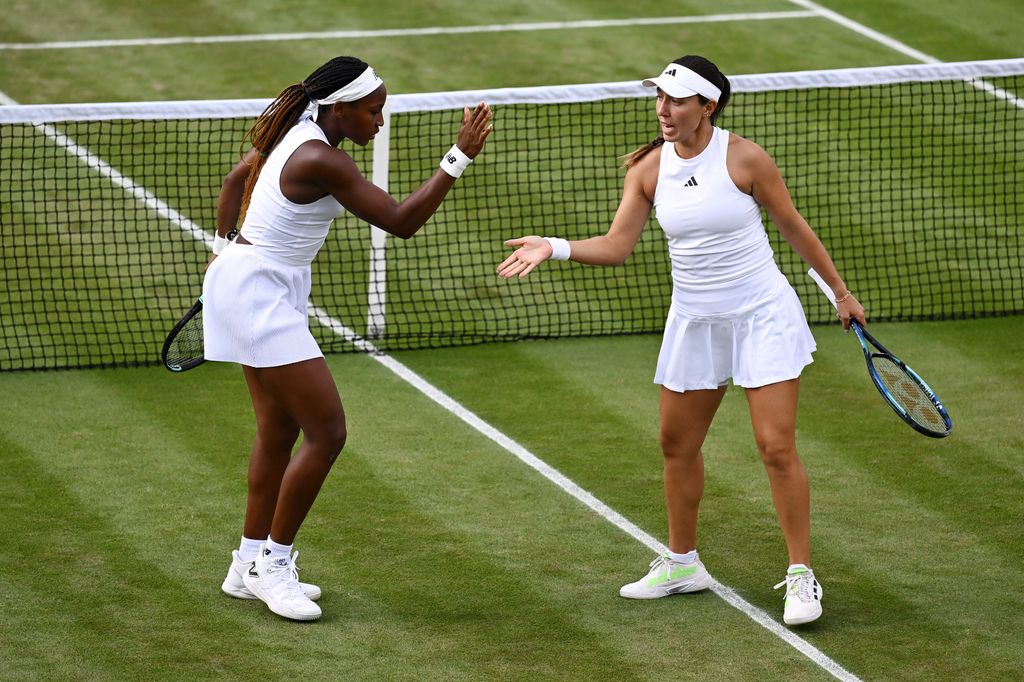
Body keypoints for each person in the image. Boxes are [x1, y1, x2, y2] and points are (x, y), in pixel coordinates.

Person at [496, 55, 864, 626]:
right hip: (695, 319)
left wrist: (839, 293)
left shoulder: (745, 159)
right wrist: (554, 245)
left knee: (775, 446)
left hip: (760, 314)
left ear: (707, 106)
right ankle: (682, 562)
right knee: (676, 444)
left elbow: (792, 226)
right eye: (660, 99)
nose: (664, 111)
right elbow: (618, 246)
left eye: (677, 101)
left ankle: (800, 575)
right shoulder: (647, 168)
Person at [204, 56, 493, 621]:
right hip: (259, 292)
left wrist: (224, 254)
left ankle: (246, 563)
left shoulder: (295, 134)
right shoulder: (319, 156)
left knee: (277, 430)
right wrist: (459, 157)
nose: (380, 121)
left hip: (255, 281)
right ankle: (273, 564)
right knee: (327, 432)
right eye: (373, 110)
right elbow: (402, 221)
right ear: (341, 108)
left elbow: (237, 179)